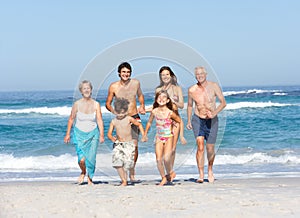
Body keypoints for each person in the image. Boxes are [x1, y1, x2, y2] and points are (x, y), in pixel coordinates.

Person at [106, 62, 146, 182]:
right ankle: (123, 174)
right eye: (123, 72)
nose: (126, 74)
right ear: (119, 73)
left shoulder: (135, 83)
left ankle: (132, 173)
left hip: (134, 116)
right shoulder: (113, 86)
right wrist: (114, 112)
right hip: (120, 119)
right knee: (122, 146)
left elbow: (140, 95)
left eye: (128, 72)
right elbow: (108, 103)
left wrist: (142, 105)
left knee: (134, 146)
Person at [186, 66, 226, 183]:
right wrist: (189, 120)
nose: (200, 76)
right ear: (195, 76)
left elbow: (223, 103)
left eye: (201, 74)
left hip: (212, 120)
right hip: (198, 119)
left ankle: (210, 170)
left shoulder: (214, 86)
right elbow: (189, 105)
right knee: (200, 146)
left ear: (206, 74)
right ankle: (201, 174)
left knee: (210, 148)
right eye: (197, 74)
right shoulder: (192, 90)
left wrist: (214, 113)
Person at [64, 80, 105, 185]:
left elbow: (99, 120)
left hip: (93, 134)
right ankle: (83, 171)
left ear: (91, 90)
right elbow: (71, 119)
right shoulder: (76, 104)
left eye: (88, 88)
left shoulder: (96, 104)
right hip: (79, 134)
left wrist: (101, 134)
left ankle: (90, 178)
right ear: (81, 91)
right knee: (81, 159)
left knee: (91, 158)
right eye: (84, 88)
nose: (86, 90)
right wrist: (68, 134)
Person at [144, 90, 186, 186]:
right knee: (158, 159)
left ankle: (170, 172)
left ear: (167, 101)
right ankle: (163, 177)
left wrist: (182, 136)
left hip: (169, 137)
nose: (161, 99)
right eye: (159, 97)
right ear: (156, 99)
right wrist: (145, 134)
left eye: (164, 97)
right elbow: (149, 122)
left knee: (166, 159)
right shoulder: (154, 111)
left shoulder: (170, 113)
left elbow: (180, 121)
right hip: (159, 137)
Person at [107, 98, 147, 186]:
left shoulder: (129, 119)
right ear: (115, 111)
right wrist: (111, 138)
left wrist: (144, 135)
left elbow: (139, 124)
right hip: (118, 144)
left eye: (122, 112)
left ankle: (128, 176)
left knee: (128, 163)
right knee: (117, 163)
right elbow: (109, 133)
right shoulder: (114, 121)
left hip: (129, 144)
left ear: (126, 111)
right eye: (118, 113)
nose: (120, 115)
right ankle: (123, 180)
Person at [154, 66, 186, 175]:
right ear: (160, 77)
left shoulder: (177, 88)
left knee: (172, 148)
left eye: (167, 74)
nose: (165, 77)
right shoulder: (158, 90)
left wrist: (172, 102)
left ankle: (170, 172)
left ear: (171, 75)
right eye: (163, 75)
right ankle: (167, 171)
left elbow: (181, 105)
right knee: (163, 148)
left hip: (175, 121)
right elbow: (156, 105)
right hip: (163, 122)